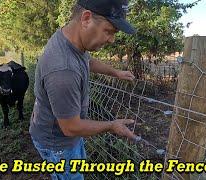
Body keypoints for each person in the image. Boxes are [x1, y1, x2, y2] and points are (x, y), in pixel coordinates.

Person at [29, 0, 137, 179]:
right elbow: (71, 128)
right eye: (108, 31)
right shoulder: (63, 70)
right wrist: (112, 125)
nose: (112, 40)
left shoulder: (69, 39)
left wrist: (115, 72)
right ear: (86, 18)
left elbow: (86, 60)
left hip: (65, 133)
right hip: (58, 144)